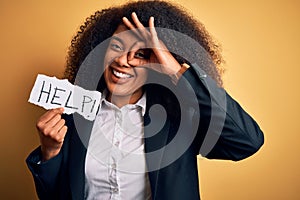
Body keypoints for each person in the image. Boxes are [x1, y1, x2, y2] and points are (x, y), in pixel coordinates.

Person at [26, 1, 264, 199]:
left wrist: (176, 71)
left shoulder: (180, 118)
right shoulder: (72, 114)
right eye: (117, 46)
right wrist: (50, 152)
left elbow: (247, 142)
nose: (123, 61)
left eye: (141, 53)